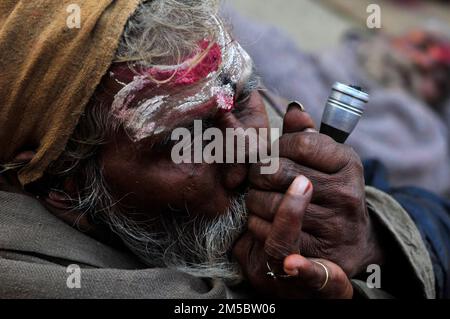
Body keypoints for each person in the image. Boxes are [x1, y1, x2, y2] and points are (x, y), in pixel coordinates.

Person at [0, 0, 448, 299]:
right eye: (186, 138)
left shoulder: (234, 110)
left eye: (247, 92)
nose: (252, 154)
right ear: (64, 188)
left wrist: (371, 241)